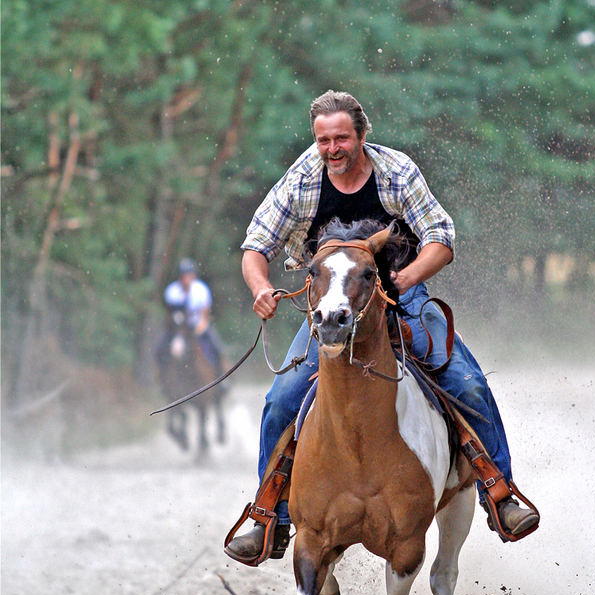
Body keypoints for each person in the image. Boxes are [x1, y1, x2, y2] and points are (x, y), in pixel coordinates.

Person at [225, 89, 539, 565]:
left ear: (362, 135)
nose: (332, 149)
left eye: (342, 138)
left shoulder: (397, 171)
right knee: (281, 398)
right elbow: (255, 245)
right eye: (323, 140)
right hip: (333, 305)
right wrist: (260, 288)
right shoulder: (302, 180)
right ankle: (272, 516)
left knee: (467, 384)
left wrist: (408, 276)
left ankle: (499, 495)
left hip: (399, 296)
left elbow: (440, 235)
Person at [156, 258, 224, 373]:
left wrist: (198, 330)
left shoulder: (201, 290)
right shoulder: (172, 291)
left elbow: (204, 315)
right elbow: (169, 313)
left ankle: (220, 377)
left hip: (197, 326)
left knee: (216, 348)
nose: (185, 279)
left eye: (188, 275)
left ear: (193, 276)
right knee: (160, 350)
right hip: (177, 328)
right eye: (183, 276)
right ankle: (161, 378)